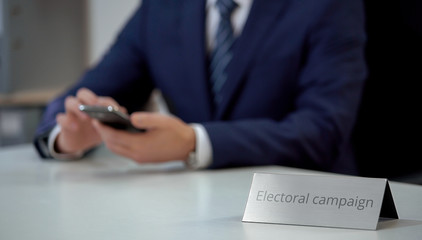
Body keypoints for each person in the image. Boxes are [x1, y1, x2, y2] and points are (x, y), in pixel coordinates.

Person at [34, 0, 367, 175]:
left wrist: (193, 143)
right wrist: (68, 137)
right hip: (195, 210)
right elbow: (80, 96)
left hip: (306, 206)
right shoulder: (163, 7)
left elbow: (324, 130)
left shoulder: (327, 4)